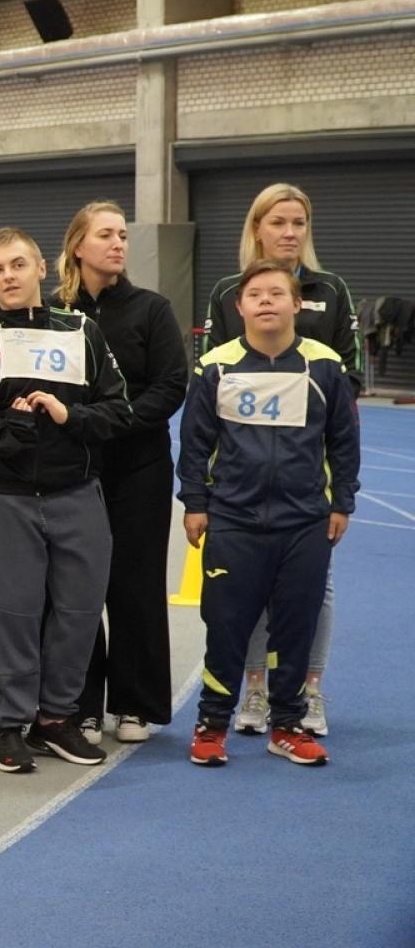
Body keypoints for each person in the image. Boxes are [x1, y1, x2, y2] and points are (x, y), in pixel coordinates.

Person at [0, 227, 131, 772]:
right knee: (12, 612)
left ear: (41, 267)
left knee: (79, 612)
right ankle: (9, 725)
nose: (8, 276)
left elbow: (118, 411)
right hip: (10, 501)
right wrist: (18, 421)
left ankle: (56, 718)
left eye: (17, 264)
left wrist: (67, 415)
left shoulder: (82, 331)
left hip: (79, 494)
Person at [181, 258, 358, 768]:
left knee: (295, 626)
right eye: (254, 294)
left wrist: (341, 502)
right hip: (233, 520)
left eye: (276, 293)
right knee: (228, 626)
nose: (265, 301)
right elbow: (195, 444)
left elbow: (343, 441)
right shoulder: (214, 366)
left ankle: (288, 724)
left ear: (296, 305)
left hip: (304, 522)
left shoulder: (325, 365)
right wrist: (196, 502)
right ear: (239, 306)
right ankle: (212, 725)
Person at [55, 203, 187, 746]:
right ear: (77, 247)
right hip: (76, 471)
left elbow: (171, 385)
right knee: (76, 589)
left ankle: (134, 703)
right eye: (105, 235)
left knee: (134, 587)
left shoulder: (152, 310)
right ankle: (81, 704)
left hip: (140, 471)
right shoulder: (56, 315)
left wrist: (112, 420)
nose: (118, 244)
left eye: (123, 235)